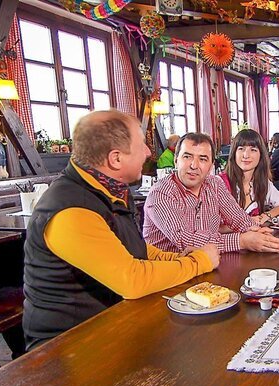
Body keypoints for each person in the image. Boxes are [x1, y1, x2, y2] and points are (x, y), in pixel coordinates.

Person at [22, 110, 219, 350]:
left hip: (110, 324)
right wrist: (198, 262)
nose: (148, 152)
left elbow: (134, 248)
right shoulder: (71, 210)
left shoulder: (106, 189)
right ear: (116, 159)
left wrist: (179, 258)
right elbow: (131, 280)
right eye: (141, 146)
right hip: (67, 347)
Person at [143, 132, 279, 254]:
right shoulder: (161, 192)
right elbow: (186, 240)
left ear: (211, 166)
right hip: (168, 271)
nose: (194, 165)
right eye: (187, 157)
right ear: (176, 161)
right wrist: (242, 241)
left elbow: (237, 217)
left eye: (203, 159)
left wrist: (256, 231)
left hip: (206, 267)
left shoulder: (214, 184)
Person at [219, 129, 279, 225]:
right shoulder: (220, 183)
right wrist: (249, 221)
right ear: (234, 153)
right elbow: (213, 227)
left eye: (253, 150)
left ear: (261, 155)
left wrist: (266, 215)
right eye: (241, 149)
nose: (246, 155)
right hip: (227, 239)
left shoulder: (262, 182)